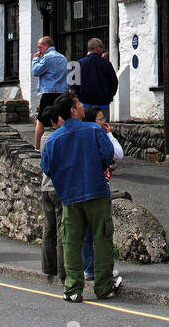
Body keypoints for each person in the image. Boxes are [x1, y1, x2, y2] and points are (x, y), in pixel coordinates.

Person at [40, 92, 120, 302]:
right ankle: (103, 287)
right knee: (102, 239)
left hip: (69, 195)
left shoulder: (53, 139)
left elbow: (47, 168)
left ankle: (73, 289)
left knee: (71, 242)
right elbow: (107, 154)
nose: (83, 105)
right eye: (79, 103)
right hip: (95, 191)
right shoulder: (93, 130)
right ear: (73, 110)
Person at [78, 106, 124, 281]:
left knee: (88, 232)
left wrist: (109, 134)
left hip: (86, 188)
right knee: (101, 231)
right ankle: (99, 269)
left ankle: (89, 268)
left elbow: (119, 155)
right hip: (98, 188)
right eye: (100, 119)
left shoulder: (96, 135)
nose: (104, 122)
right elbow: (114, 155)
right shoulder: (94, 137)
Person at [38, 101, 67, 283]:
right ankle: (63, 270)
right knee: (61, 230)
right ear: (54, 121)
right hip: (57, 188)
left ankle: (48, 267)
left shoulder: (44, 138)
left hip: (45, 187)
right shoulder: (57, 138)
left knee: (48, 230)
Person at [31, 37, 69, 150]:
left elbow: (36, 71)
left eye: (39, 47)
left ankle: (37, 147)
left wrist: (35, 59)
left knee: (41, 119)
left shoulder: (47, 58)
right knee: (61, 118)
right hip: (62, 92)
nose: (38, 50)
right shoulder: (63, 58)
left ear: (46, 45)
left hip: (49, 92)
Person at [77, 38, 118, 117]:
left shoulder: (79, 63)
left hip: (84, 104)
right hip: (103, 104)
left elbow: (73, 85)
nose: (102, 50)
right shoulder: (106, 64)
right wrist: (109, 97)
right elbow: (114, 82)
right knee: (103, 127)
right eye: (102, 47)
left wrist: (79, 98)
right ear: (97, 48)